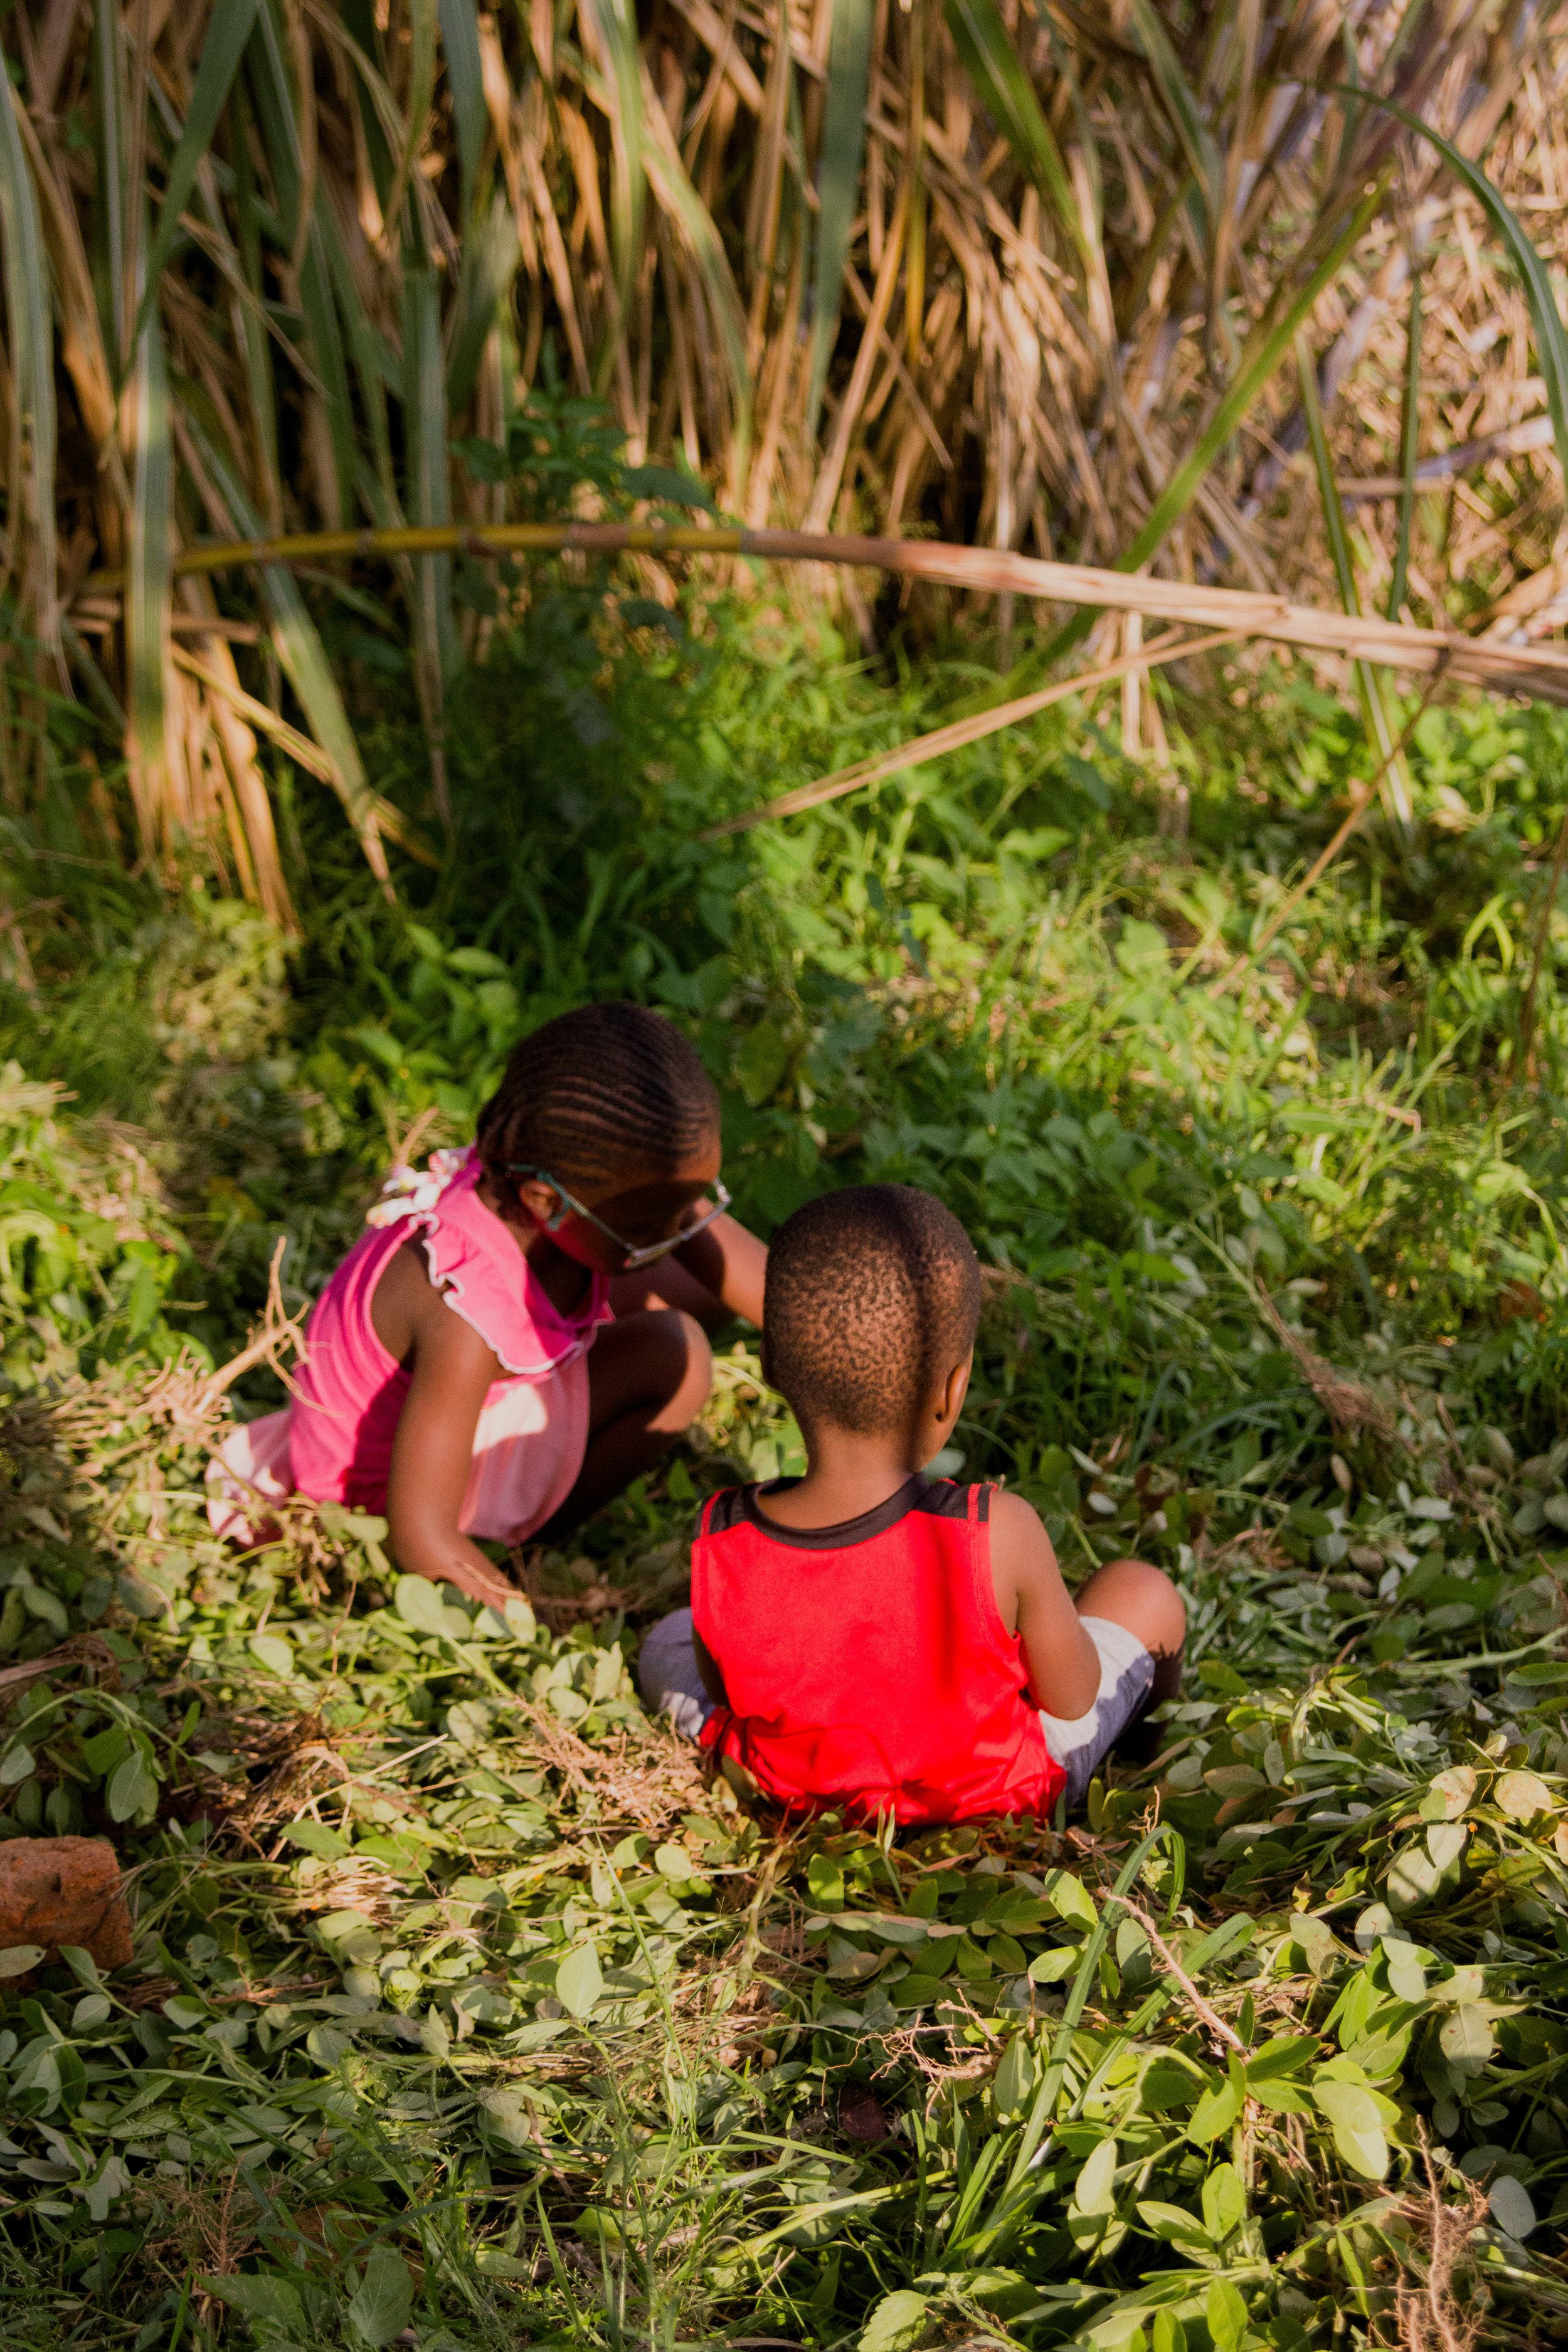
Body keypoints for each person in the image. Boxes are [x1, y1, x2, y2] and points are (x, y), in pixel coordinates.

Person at [638, 1184, 1185, 1823]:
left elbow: (725, 1690)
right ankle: (1135, 1760)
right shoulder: (996, 1530)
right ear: (952, 1391)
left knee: (665, 1639)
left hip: (799, 1791)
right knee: (1142, 1588)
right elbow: (1070, 1698)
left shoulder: (721, 1535)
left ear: (770, 1364)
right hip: (994, 1801)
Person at [206, 1003, 766, 1612]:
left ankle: (518, 1520)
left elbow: (764, 1287)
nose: (678, 1232)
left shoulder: (541, 1165)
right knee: (674, 1357)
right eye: (652, 1223)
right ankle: (510, 1558)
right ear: (545, 1203)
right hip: (380, 1509)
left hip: (444, 1414)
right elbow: (421, 1537)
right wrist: (537, 1633)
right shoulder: (461, 1313)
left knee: (699, 1294)